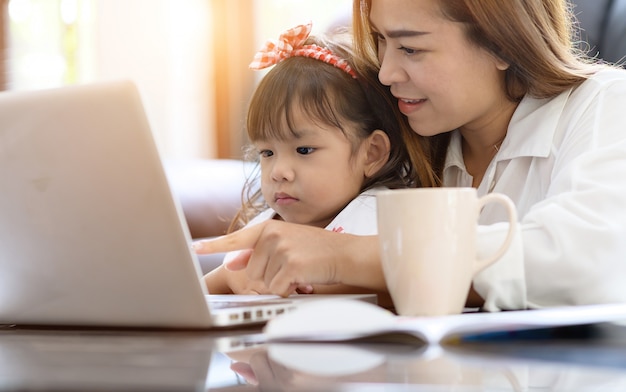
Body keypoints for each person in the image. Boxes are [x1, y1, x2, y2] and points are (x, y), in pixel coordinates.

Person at [195, 0, 626, 311]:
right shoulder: (407, 146)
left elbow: (583, 261)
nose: (385, 72)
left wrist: (339, 256)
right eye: (381, 42)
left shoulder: (604, 103)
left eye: (411, 48)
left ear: (503, 45)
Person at [201, 22, 435, 303]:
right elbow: (196, 296)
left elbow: (399, 282)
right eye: (267, 153)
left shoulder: (381, 217)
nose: (279, 172)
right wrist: (225, 276)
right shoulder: (265, 225)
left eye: (303, 150)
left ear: (371, 153)